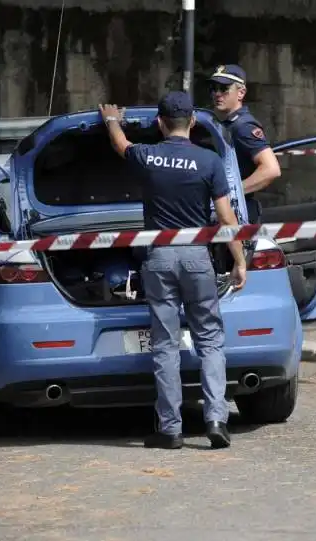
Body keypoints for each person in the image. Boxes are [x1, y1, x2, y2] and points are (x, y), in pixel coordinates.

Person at [98, 92, 248, 450]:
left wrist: (111, 119)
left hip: (160, 259)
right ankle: (215, 419)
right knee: (210, 340)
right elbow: (226, 218)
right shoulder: (209, 160)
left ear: (160, 123)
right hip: (198, 258)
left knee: (164, 344)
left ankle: (170, 429)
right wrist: (240, 260)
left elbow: (121, 145)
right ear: (193, 123)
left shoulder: (147, 156)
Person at [209, 64, 281, 224]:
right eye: (214, 88)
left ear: (241, 93)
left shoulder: (244, 127)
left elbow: (271, 170)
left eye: (224, 88)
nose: (217, 94)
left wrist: (232, 193)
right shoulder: (225, 123)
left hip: (239, 212)